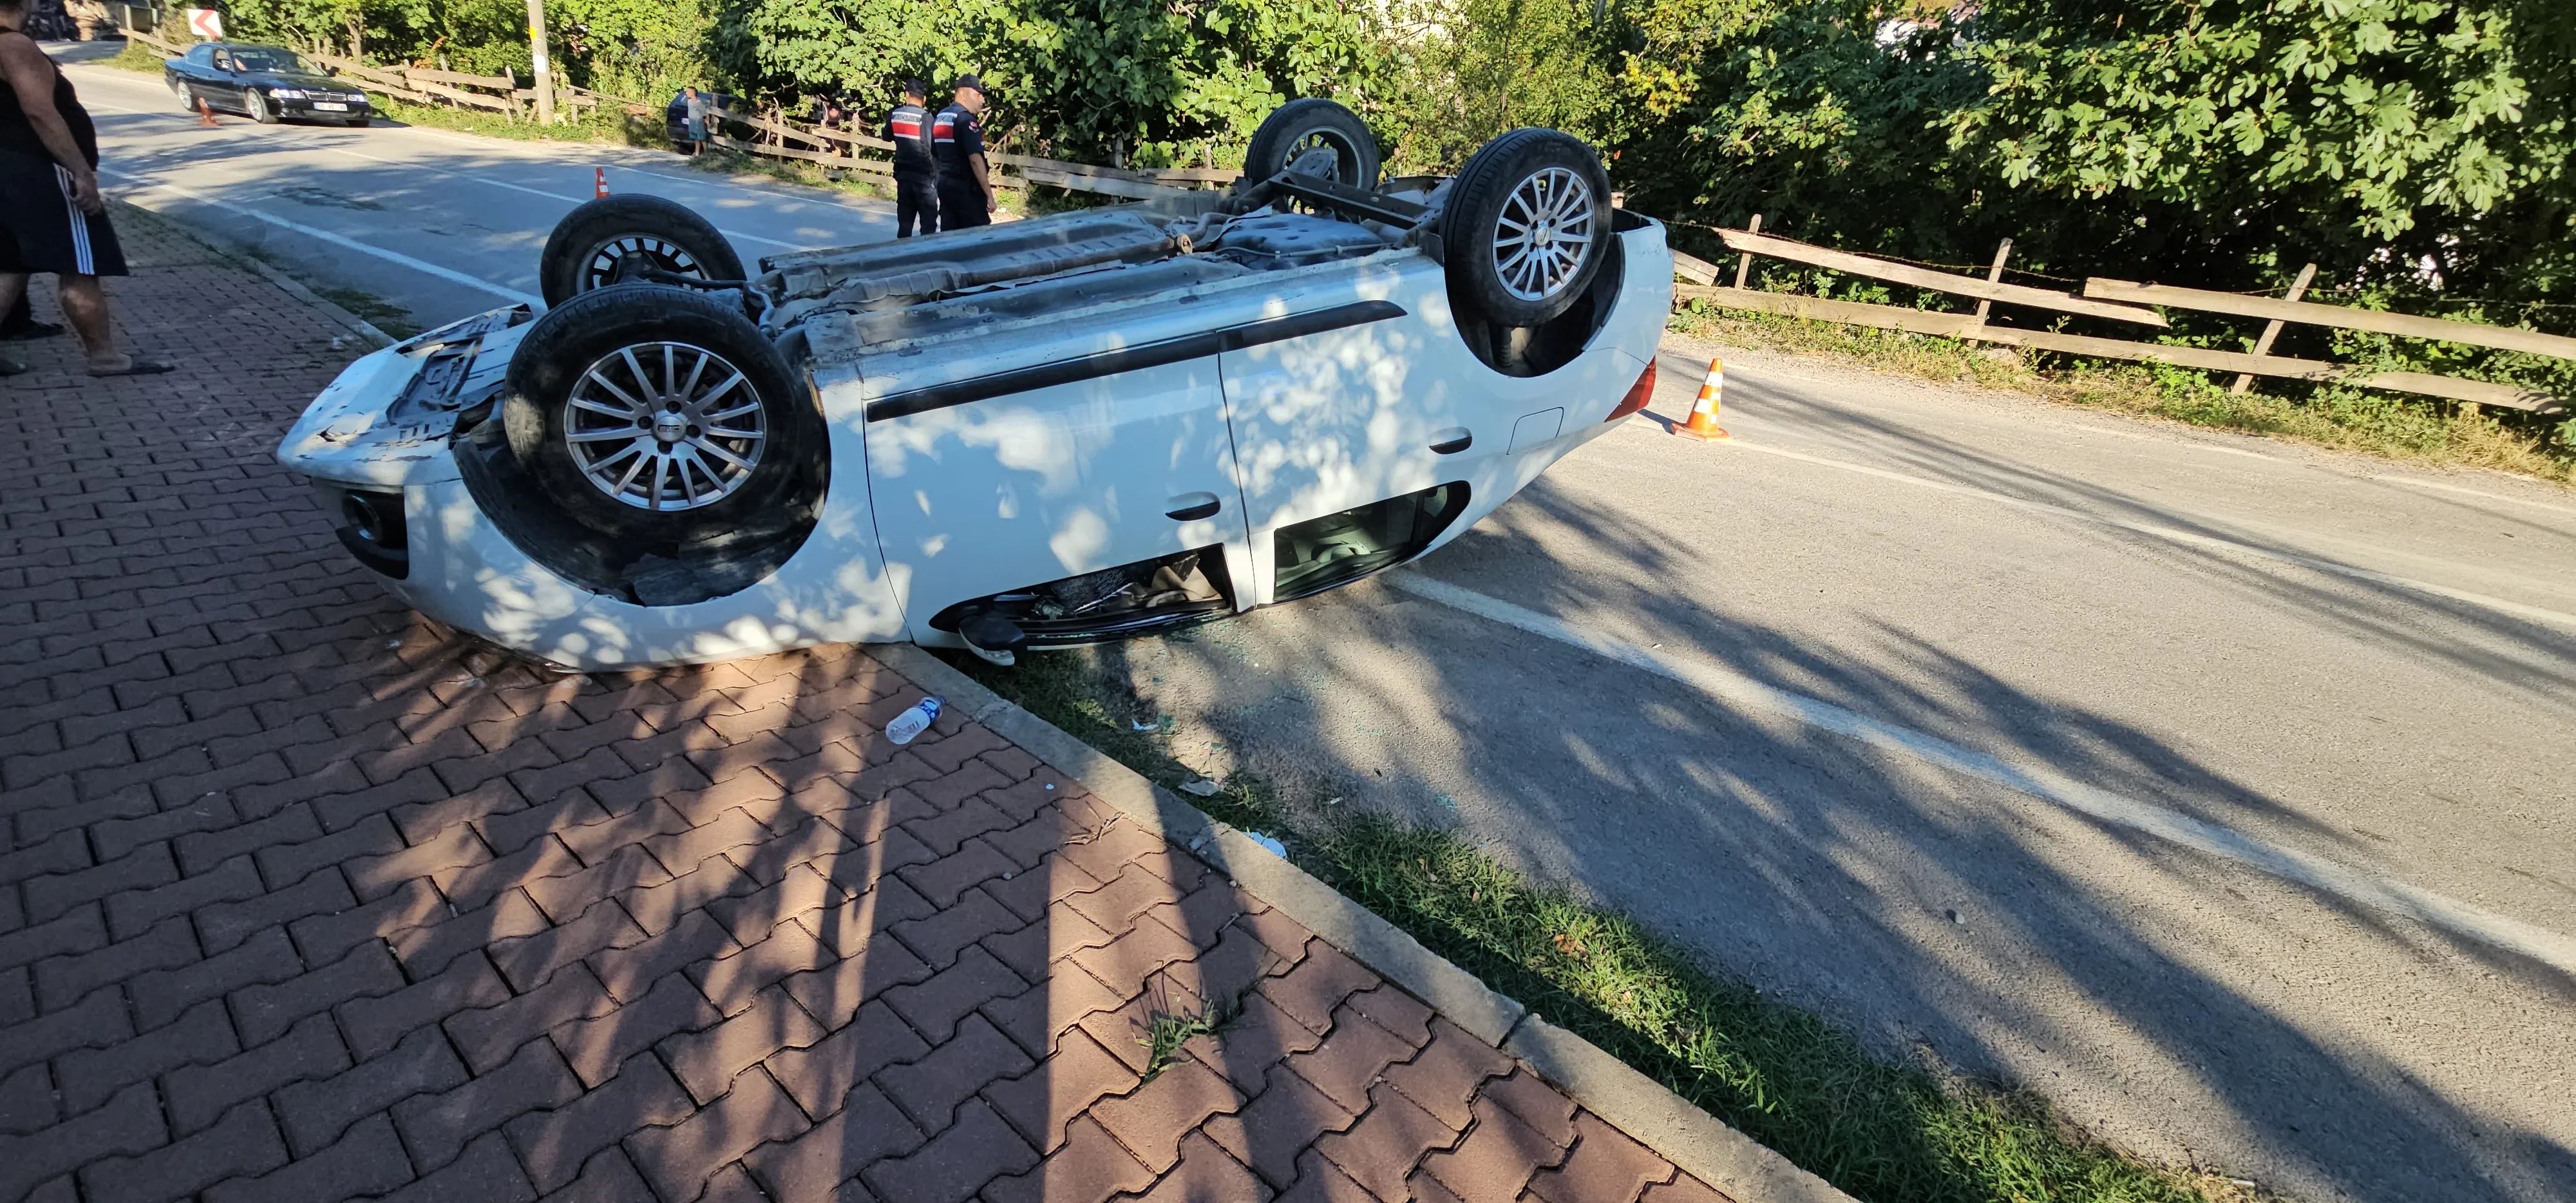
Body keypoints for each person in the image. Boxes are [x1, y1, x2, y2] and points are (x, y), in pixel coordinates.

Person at [0, 0, 168, 377]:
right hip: (39, 170)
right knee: (80, 264)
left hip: (7, 173)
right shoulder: (13, 45)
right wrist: (80, 172)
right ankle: (105, 358)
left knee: (9, 265)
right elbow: (40, 111)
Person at [931, 73, 996, 230]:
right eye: (978, 95)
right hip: (967, 192)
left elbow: (935, 155)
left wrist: (938, 182)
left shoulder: (941, 116)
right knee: (978, 238)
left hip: (946, 187)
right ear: (963, 94)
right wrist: (989, 195)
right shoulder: (966, 120)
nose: (982, 100)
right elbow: (975, 159)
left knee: (950, 238)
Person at [886, 79, 938, 238]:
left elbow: (887, 136)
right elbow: (933, 147)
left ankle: (901, 256)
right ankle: (925, 257)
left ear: (906, 95)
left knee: (905, 223)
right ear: (924, 99)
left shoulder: (896, 115)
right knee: (928, 226)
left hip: (903, 176)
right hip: (924, 179)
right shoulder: (926, 118)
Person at [681, 86, 706, 155]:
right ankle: (697, 154)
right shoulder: (689, 102)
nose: (686, 93)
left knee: (702, 139)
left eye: (688, 91)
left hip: (698, 123)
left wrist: (707, 121)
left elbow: (705, 112)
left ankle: (707, 153)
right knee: (696, 139)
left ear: (693, 93)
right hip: (693, 123)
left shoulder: (698, 103)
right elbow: (682, 101)